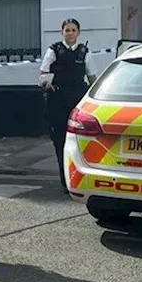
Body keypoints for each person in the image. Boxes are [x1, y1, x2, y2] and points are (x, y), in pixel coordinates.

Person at [39, 19, 98, 189]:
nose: (70, 33)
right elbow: (44, 72)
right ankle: (65, 181)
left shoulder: (84, 52)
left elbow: (92, 77)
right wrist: (45, 82)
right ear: (62, 32)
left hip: (77, 100)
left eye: (73, 30)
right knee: (60, 141)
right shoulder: (54, 50)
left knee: (79, 140)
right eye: (67, 30)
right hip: (57, 100)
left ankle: (80, 177)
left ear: (78, 32)